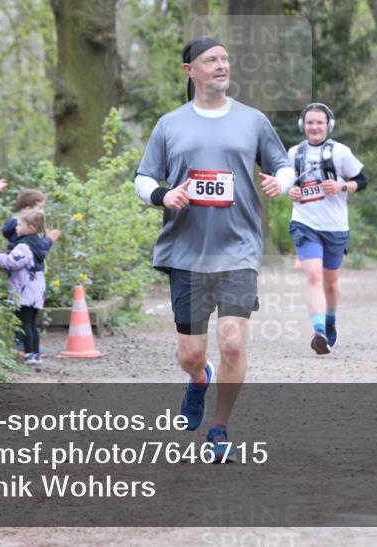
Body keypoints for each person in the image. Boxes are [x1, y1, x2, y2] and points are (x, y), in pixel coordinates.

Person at [134, 36, 294, 461]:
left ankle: (219, 429)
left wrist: (284, 181)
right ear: (190, 71)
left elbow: (282, 163)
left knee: (233, 344)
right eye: (211, 60)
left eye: (225, 58)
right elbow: (143, 178)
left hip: (238, 249)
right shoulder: (170, 124)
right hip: (186, 251)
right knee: (191, 353)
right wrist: (163, 196)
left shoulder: (253, 120)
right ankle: (199, 379)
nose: (221, 66)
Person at [287, 103, 367, 355]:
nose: (314, 127)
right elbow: (286, 182)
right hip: (304, 223)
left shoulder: (341, 152)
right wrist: (290, 190)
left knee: (331, 284)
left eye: (319, 123)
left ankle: (330, 320)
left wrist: (342, 187)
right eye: (310, 122)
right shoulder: (294, 153)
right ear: (303, 126)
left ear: (328, 125)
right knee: (313, 276)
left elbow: (362, 181)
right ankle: (319, 330)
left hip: (335, 227)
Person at [0, 210, 49, 365]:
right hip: (36, 291)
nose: (16, 227)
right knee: (31, 323)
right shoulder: (38, 243)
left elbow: (11, 262)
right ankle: (35, 354)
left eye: (19, 225)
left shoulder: (24, 246)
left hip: (25, 291)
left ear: (30, 227)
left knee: (24, 323)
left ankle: (29, 354)